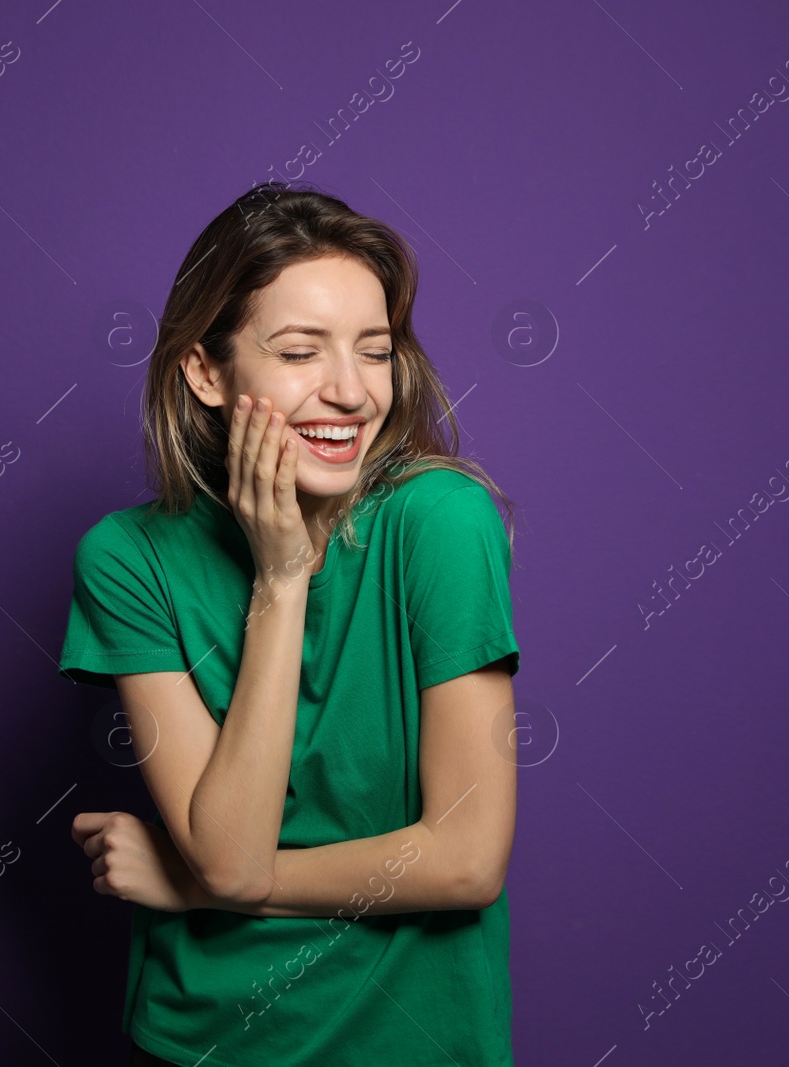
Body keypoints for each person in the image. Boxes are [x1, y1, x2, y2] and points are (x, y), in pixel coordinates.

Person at [58, 181, 522, 1066]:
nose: (350, 392)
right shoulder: (126, 558)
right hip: (198, 1041)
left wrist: (195, 888)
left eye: (375, 351)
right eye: (302, 352)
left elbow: (466, 858)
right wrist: (280, 579)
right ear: (205, 370)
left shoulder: (443, 523)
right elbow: (232, 853)